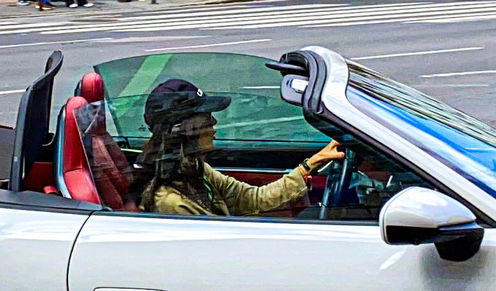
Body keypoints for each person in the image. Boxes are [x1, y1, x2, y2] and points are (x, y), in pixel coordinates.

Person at [131, 78, 342, 217]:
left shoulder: (195, 169)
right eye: (205, 118)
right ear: (185, 130)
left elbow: (252, 199)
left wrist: (311, 164)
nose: (214, 123)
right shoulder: (172, 202)